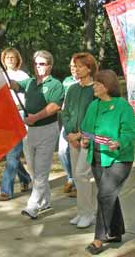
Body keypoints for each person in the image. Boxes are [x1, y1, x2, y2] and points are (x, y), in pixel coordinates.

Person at [80, 70, 135, 255]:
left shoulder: (123, 106)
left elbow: (129, 133)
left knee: (104, 195)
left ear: (108, 86)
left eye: (97, 84)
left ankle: (99, 239)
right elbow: (86, 130)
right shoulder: (93, 105)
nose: (94, 86)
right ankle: (116, 232)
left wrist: (119, 142)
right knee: (109, 195)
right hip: (97, 157)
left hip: (119, 158)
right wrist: (84, 140)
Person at [11, 50, 64, 219]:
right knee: (33, 169)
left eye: (42, 64)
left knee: (41, 170)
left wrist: (35, 117)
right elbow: (15, 85)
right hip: (30, 131)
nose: (38, 67)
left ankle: (32, 206)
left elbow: (54, 106)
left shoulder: (56, 85)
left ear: (50, 65)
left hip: (47, 129)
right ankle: (45, 201)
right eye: (35, 64)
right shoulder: (31, 82)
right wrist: (7, 79)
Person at [62, 52, 98, 229]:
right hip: (72, 138)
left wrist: (80, 135)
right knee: (77, 175)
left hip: (87, 139)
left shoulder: (95, 89)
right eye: (74, 66)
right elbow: (66, 112)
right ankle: (81, 211)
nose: (75, 69)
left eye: (79, 66)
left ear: (89, 68)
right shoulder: (72, 89)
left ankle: (89, 213)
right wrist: (69, 133)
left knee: (82, 174)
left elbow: (96, 117)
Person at [0, 48, 31, 201]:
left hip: (19, 114)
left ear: (18, 60)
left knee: (14, 151)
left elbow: (29, 96)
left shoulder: (23, 76)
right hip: (4, 116)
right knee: (10, 152)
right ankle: (25, 178)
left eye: (13, 57)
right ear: (3, 60)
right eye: (7, 57)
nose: (10, 60)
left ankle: (6, 190)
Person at [58, 58, 79, 196]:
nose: (72, 68)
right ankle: (71, 178)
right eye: (71, 66)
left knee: (77, 154)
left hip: (81, 123)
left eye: (75, 66)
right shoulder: (66, 81)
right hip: (67, 120)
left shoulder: (89, 82)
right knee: (62, 151)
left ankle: (78, 185)